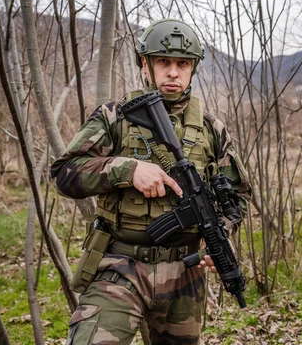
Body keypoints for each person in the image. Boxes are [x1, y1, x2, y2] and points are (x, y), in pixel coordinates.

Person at [51, 18, 251, 345]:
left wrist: (219, 236)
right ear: (146, 63)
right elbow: (65, 173)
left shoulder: (212, 129)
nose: (173, 72)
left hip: (185, 274)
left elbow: (239, 195)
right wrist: (126, 170)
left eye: (182, 64)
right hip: (119, 266)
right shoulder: (116, 117)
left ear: (193, 69)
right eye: (164, 62)